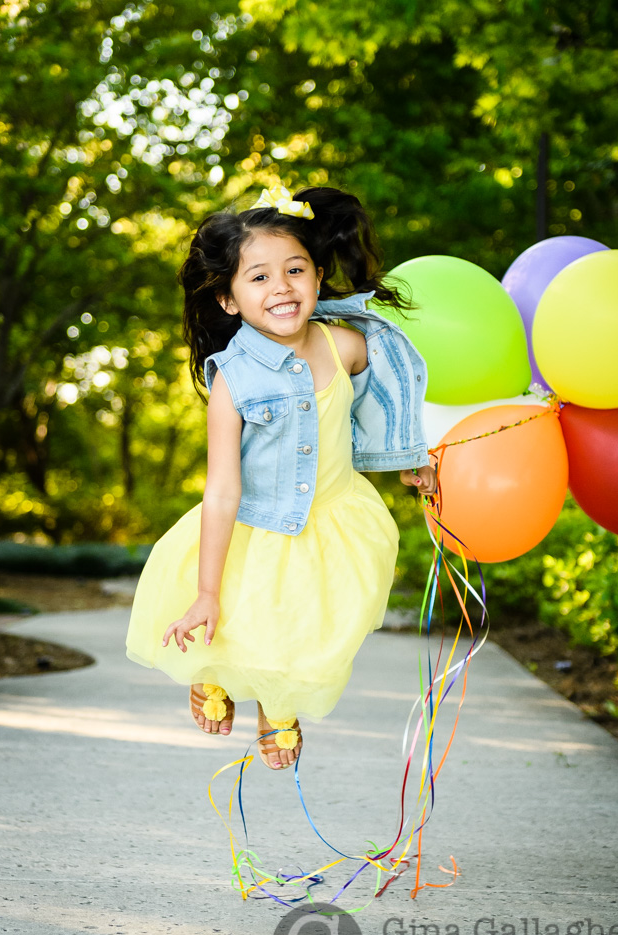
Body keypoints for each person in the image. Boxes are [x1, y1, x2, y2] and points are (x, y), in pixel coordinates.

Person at [125, 184, 437, 771]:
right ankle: (209, 672)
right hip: (253, 523)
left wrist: (407, 455)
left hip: (334, 520)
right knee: (238, 619)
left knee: (308, 634)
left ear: (318, 277)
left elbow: (384, 398)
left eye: (295, 270)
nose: (282, 287)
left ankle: (277, 705)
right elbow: (221, 489)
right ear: (228, 299)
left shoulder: (347, 344)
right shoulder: (232, 382)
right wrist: (206, 591)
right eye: (259, 277)